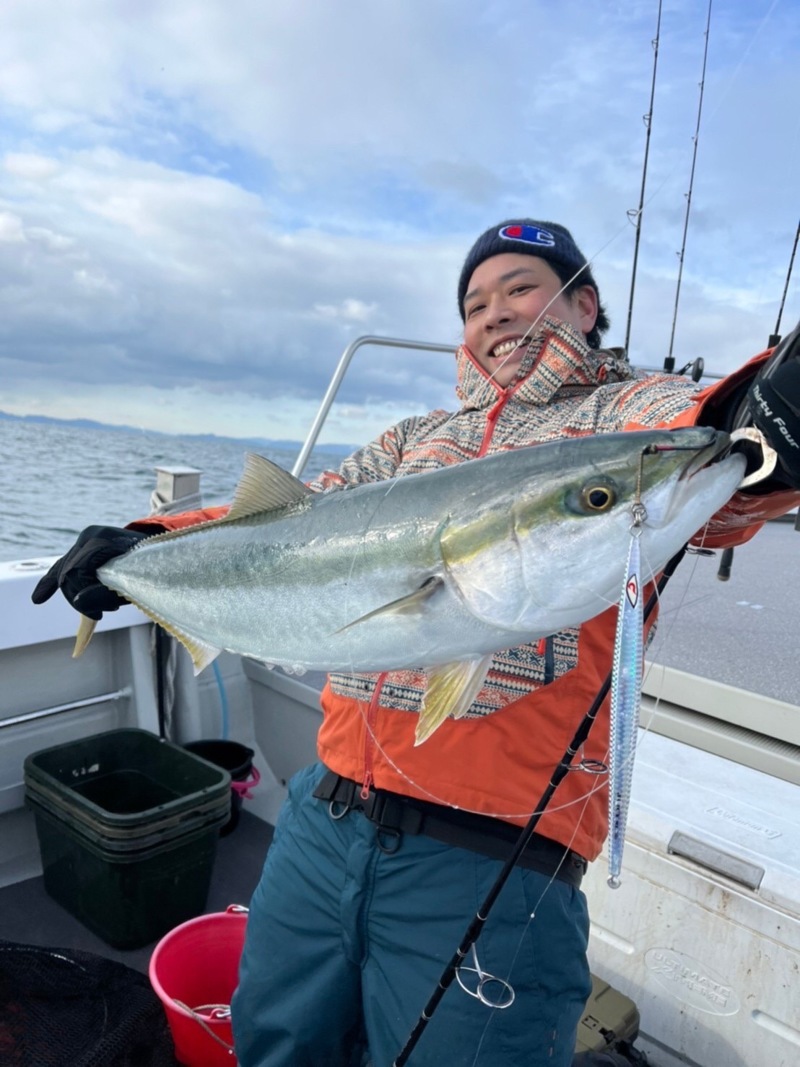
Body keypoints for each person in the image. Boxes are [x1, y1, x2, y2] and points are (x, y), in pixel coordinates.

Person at [32, 219, 800, 1067]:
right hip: (324, 818)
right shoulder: (411, 442)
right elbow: (285, 521)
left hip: (491, 848)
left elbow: (722, 452)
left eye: (520, 288)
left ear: (584, 305)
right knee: (276, 1037)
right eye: (475, 303)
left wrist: (766, 413)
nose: (496, 313)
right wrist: (143, 541)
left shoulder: (630, 418)